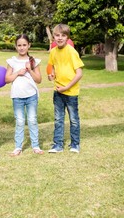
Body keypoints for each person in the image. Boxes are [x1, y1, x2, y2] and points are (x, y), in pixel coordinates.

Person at [47, 24, 84, 153]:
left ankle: (75, 144)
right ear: (53, 37)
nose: (60, 38)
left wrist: (67, 87)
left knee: (73, 119)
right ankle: (58, 145)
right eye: (57, 35)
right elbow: (51, 68)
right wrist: (51, 75)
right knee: (58, 119)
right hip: (58, 92)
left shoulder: (72, 52)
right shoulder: (53, 52)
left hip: (71, 92)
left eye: (63, 35)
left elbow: (79, 73)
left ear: (67, 37)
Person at [5, 34, 44, 156]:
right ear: (16, 46)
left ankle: (35, 146)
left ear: (29, 45)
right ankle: (18, 147)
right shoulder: (12, 61)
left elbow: (39, 80)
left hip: (31, 96)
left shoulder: (34, 61)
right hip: (17, 96)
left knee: (32, 120)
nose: (22, 48)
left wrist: (30, 70)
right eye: (19, 45)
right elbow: (7, 79)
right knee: (20, 121)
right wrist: (18, 73)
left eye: (24, 45)